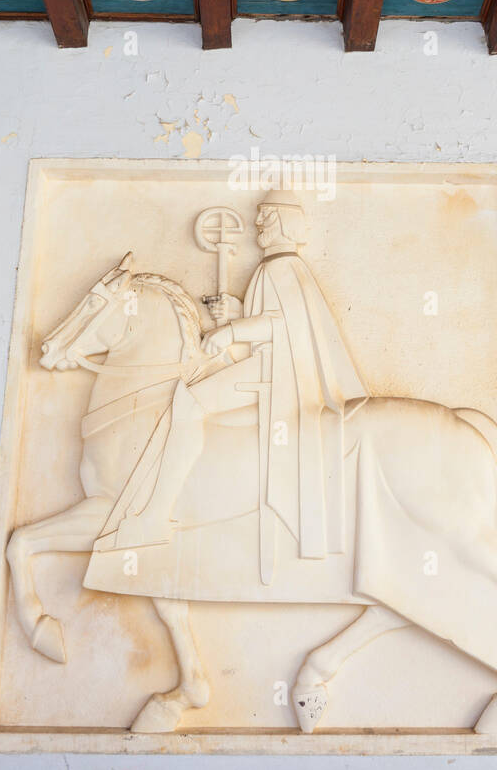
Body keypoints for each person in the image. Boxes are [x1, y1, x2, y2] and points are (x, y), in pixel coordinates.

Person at [118, 189, 368, 559]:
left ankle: (157, 515)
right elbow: (270, 317)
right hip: (269, 365)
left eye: (266, 217)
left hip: (278, 371)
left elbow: (283, 328)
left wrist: (231, 332)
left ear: (284, 221)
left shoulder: (282, 266)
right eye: (259, 216)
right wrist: (234, 312)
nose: (257, 223)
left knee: (188, 402)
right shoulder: (276, 266)